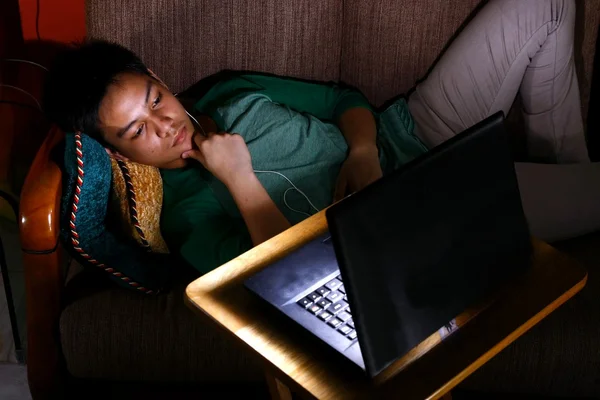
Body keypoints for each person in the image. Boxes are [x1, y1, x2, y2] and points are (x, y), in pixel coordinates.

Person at [44, 0, 600, 278]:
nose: (166, 126)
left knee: (541, 4)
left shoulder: (228, 93)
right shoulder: (184, 216)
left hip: (414, 128)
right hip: (425, 212)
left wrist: (362, 152)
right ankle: (571, 193)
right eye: (138, 130)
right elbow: (288, 276)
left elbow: (343, 101)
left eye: (156, 100)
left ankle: (565, 164)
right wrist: (237, 176)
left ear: (160, 80)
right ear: (117, 153)